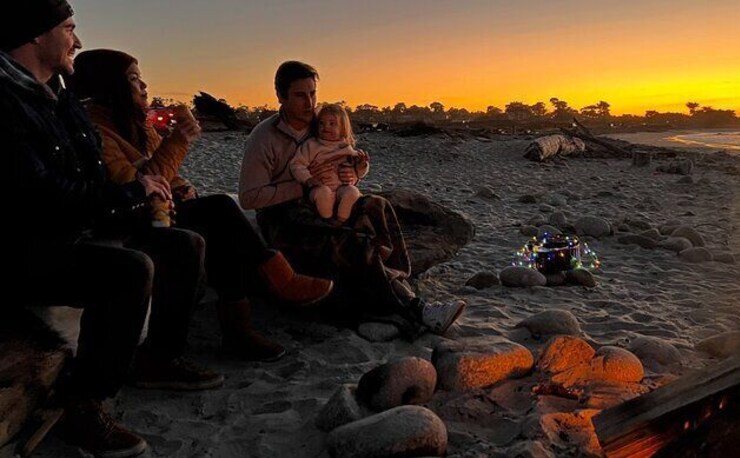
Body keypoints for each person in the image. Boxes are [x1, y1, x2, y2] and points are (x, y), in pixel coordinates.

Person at [0, 0, 221, 458]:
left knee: (182, 243)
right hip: (26, 245)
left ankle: (158, 358)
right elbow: (41, 194)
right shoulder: (6, 103)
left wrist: (139, 193)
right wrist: (128, 195)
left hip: (76, 225)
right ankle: (84, 403)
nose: (76, 41)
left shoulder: (57, 95)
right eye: (69, 27)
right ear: (36, 34)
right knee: (128, 270)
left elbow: (95, 172)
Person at [69, 49, 335, 362]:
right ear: (109, 86)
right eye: (133, 79)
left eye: (141, 77)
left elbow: (169, 175)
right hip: (129, 216)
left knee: (221, 224)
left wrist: (185, 186)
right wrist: (178, 141)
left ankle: (241, 327)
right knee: (220, 210)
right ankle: (272, 285)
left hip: (159, 208)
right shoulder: (98, 131)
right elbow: (135, 183)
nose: (143, 86)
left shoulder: (136, 124)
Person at [239, 61, 465, 334]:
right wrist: (305, 186)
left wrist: (354, 173)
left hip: (330, 199)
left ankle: (392, 277)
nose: (309, 102)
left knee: (377, 206)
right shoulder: (264, 137)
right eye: (300, 95)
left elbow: (343, 160)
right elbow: (249, 197)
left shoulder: (322, 125)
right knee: (351, 241)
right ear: (281, 97)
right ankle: (414, 309)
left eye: (313, 93)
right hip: (284, 213)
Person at [289, 103, 367, 224]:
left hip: (342, 187)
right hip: (320, 186)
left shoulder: (346, 147)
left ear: (343, 128)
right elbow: (297, 164)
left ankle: (342, 220)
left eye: (332, 124)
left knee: (352, 192)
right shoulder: (312, 145)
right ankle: (327, 220)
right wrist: (308, 179)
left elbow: (358, 171)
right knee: (323, 194)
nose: (326, 127)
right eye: (321, 123)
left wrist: (362, 167)